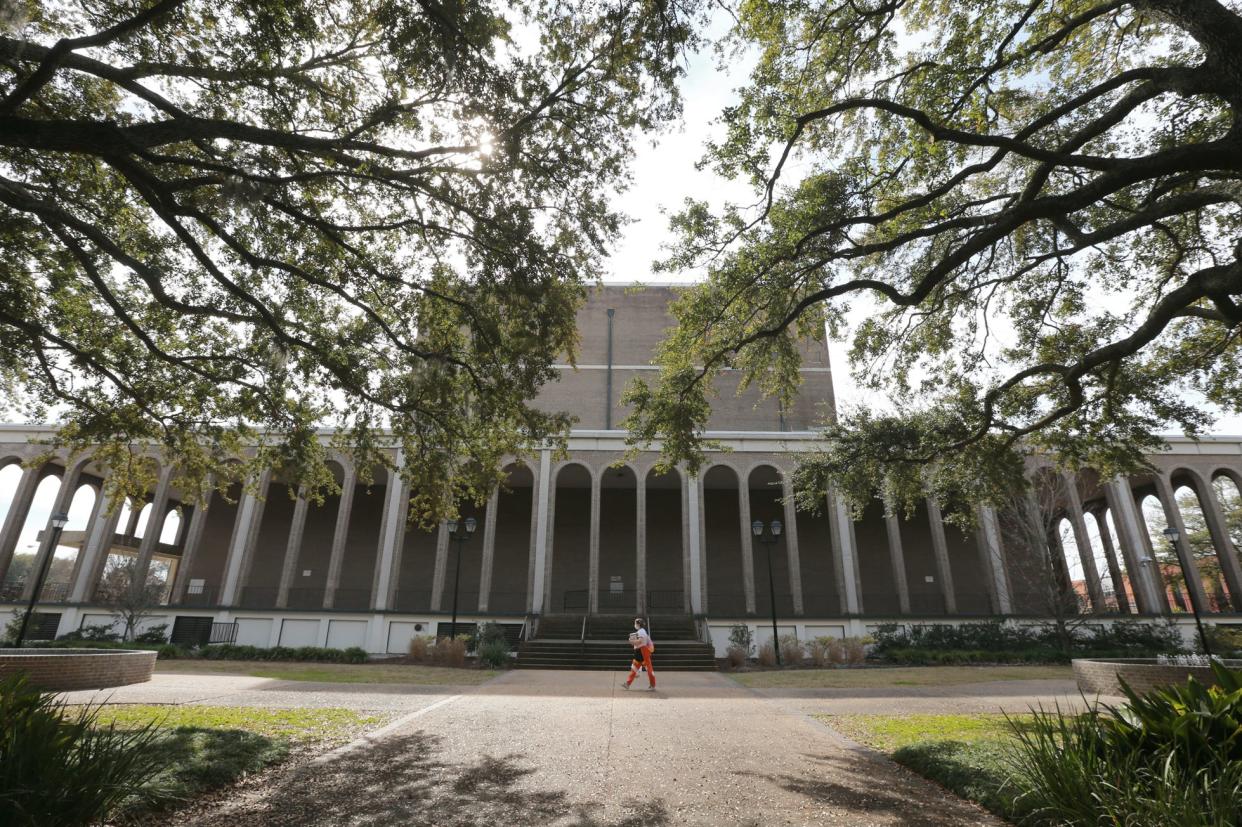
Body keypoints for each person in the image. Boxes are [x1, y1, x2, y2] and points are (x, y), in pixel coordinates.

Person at [624, 617, 655, 690]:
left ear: (638, 624)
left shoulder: (641, 632)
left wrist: (631, 641)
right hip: (641, 652)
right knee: (637, 668)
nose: (634, 624)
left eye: (635, 623)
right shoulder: (641, 631)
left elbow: (640, 641)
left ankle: (652, 684)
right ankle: (628, 683)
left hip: (642, 652)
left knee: (646, 668)